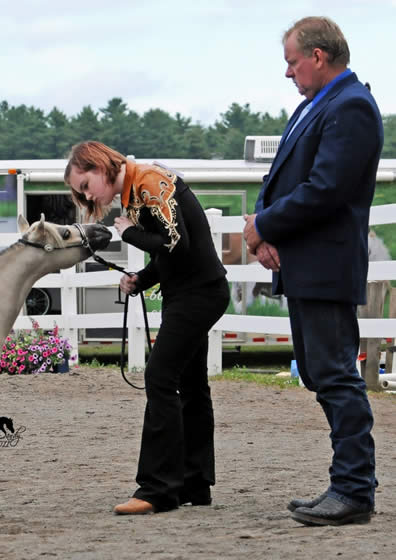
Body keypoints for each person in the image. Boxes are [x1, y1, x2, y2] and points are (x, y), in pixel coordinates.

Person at [243, 16, 383, 526]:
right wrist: (264, 226)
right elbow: (279, 176)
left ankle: (353, 489)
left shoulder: (350, 108)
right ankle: (349, 483)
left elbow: (326, 189)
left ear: (319, 56)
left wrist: (263, 225)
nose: (288, 72)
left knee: (336, 376)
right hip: (308, 261)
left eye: (292, 61)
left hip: (325, 263)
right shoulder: (316, 106)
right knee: (324, 376)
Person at [65, 141, 229, 515]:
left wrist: (129, 234)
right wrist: (142, 278)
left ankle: (158, 489)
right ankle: (194, 483)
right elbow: (170, 255)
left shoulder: (149, 182)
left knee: (159, 378)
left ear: (100, 165)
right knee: (189, 385)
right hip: (193, 292)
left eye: (86, 185)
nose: (89, 195)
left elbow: (175, 243)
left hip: (196, 296)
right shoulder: (139, 188)